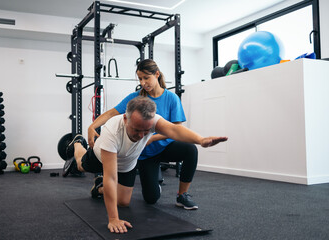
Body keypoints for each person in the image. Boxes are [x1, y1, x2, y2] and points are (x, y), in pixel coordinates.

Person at [64, 96, 228, 234]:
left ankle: (99, 187)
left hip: (127, 163)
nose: (141, 136)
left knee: (123, 202)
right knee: (80, 166)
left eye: (146, 131)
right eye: (136, 130)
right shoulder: (112, 132)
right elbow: (112, 177)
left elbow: (175, 130)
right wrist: (113, 219)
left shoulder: (150, 119)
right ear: (125, 118)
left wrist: (201, 140)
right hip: (101, 157)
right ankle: (78, 144)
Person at [88, 59, 201, 209]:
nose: (143, 82)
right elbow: (111, 113)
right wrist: (92, 126)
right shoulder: (135, 98)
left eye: (146, 78)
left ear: (157, 74)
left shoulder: (171, 98)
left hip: (163, 148)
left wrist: (152, 138)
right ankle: (100, 186)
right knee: (151, 199)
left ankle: (182, 195)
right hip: (142, 154)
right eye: (140, 79)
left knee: (190, 149)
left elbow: (176, 129)